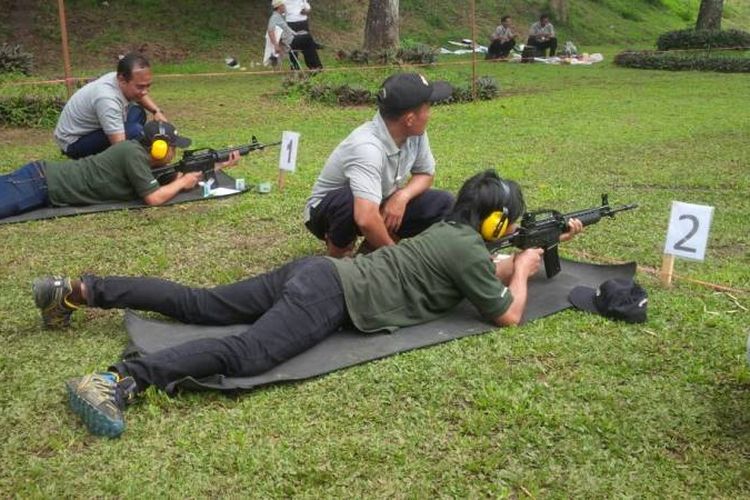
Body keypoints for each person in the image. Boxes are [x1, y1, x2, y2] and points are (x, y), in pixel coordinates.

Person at [36, 169, 584, 437]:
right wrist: (529, 271)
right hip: (333, 296)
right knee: (247, 355)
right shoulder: (467, 251)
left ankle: (81, 289)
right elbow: (508, 312)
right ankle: (117, 380)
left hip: (318, 272)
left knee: (199, 303)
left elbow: (489, 269)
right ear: (495, 223)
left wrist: (533, 252)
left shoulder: (452, 235)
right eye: (509, 225)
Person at [304, 72, 455, 258]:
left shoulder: (415, 134)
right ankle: (338, 259)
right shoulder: (366, 147)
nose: (430, 114)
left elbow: (425, 174)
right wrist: (398, 259)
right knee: (349, 200)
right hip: (328, 211)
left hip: (376, 201)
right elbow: (365, 217)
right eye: (428, 108)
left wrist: (402, 196)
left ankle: (371, 252)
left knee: (442, 203)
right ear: (409, 119)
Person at [0, 121, 240, 219]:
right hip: (40, 183)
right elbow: (154, 198)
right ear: (158, 148)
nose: (174, 153)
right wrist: (181, 182)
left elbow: (176, 176)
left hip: (42, 181)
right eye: (173, 147)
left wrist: (220, 165)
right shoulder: (132, 154)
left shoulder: (142, 157)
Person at [54, 53, 167, 159]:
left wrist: (157, 111)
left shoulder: (117, 77)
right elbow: (120, 148)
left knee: (138, 113)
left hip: (95, 127)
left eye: (148, 86)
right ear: (122, 79)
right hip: (74, 143)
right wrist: (151, 159)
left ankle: (129, 143)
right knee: (135, 131)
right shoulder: (107, 99)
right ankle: (104, 160)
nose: (145, 92)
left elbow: (140, 94)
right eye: (140, 87)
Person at [267, 0, 323, 70]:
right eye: (283, 6)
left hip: (293, 37)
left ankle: (314, 66)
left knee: (307, 42)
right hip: (290, 41)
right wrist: (276, 45)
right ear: (279, 7)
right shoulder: (275, 17)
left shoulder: (280, 16)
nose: (285, 8)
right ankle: (316, 66)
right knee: (308, 38)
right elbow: (270, 31)